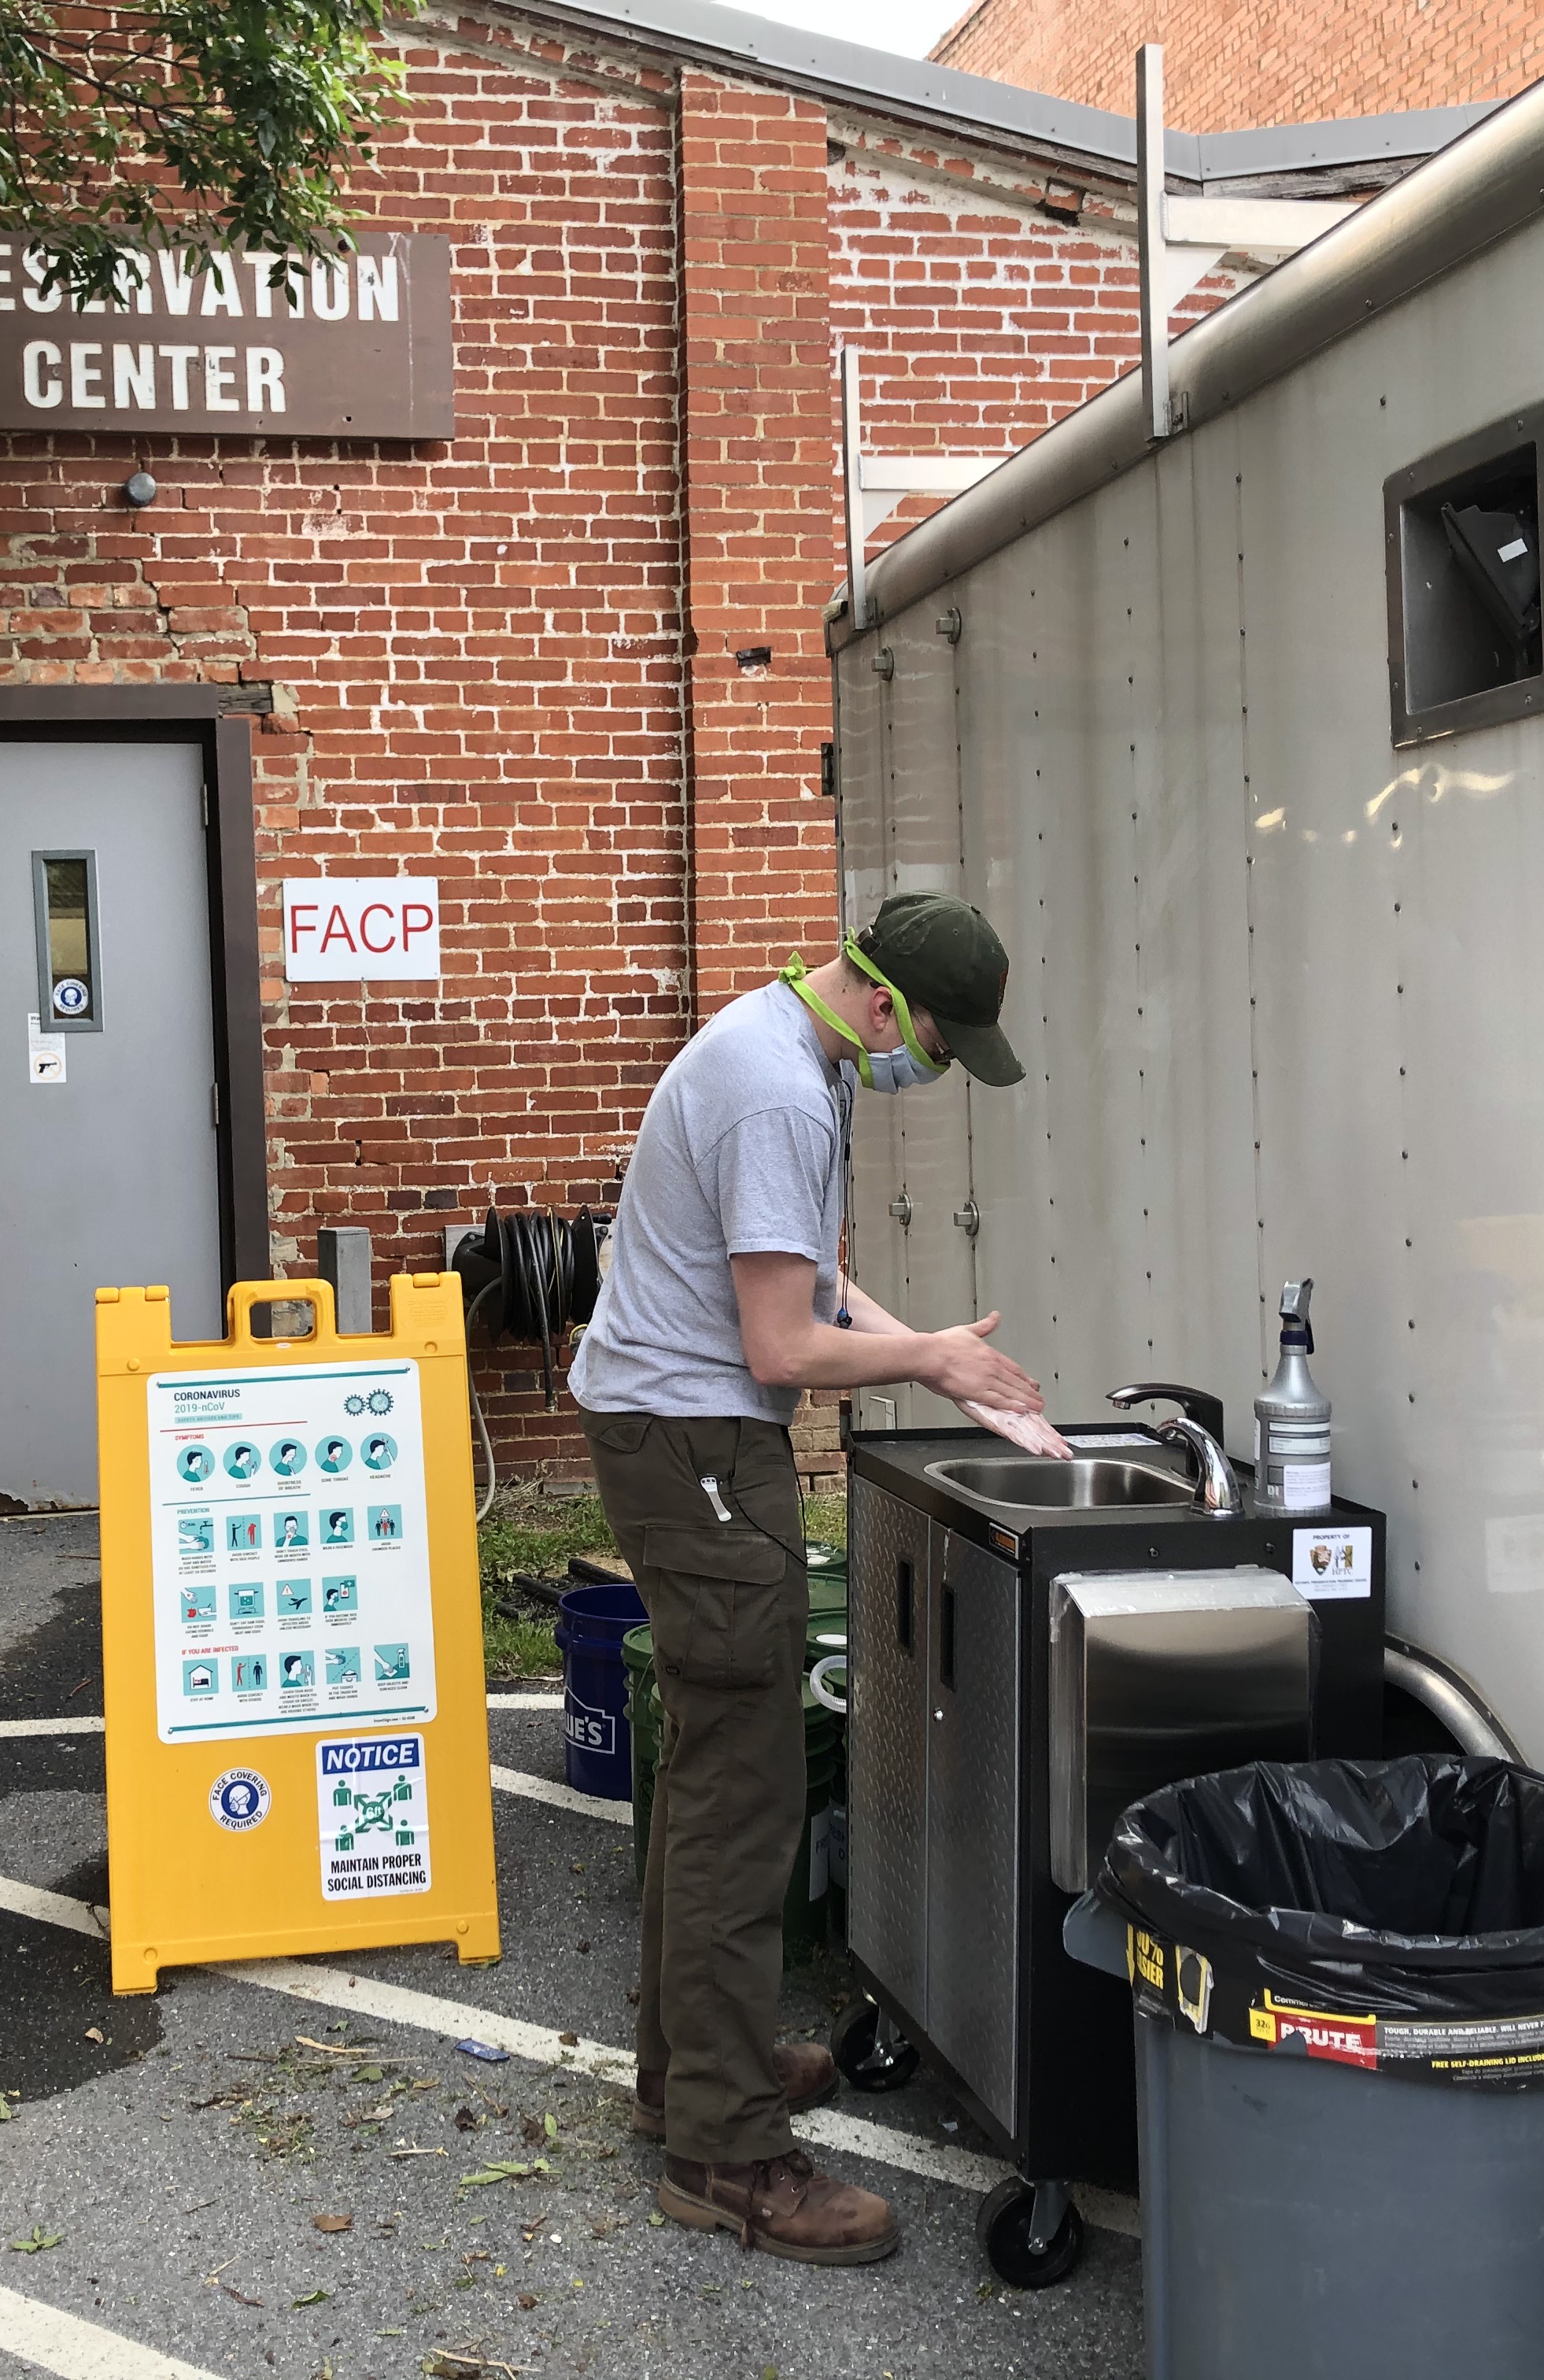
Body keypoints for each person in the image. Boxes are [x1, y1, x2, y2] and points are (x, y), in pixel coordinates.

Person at [569, 892, 1055, 2265]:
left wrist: (939, 1348)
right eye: (941, 1044)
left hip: (677, 1434)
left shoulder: (785, 1048)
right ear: (889, 1005)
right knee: (745, 1794)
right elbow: (781, 1346)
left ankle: (687, 2067)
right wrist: (935, 1364)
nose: (932, 1069)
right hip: (704, 1448)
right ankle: (725, 2157)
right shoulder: (780, 1095)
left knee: (714, 1772)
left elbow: (818, 1292)